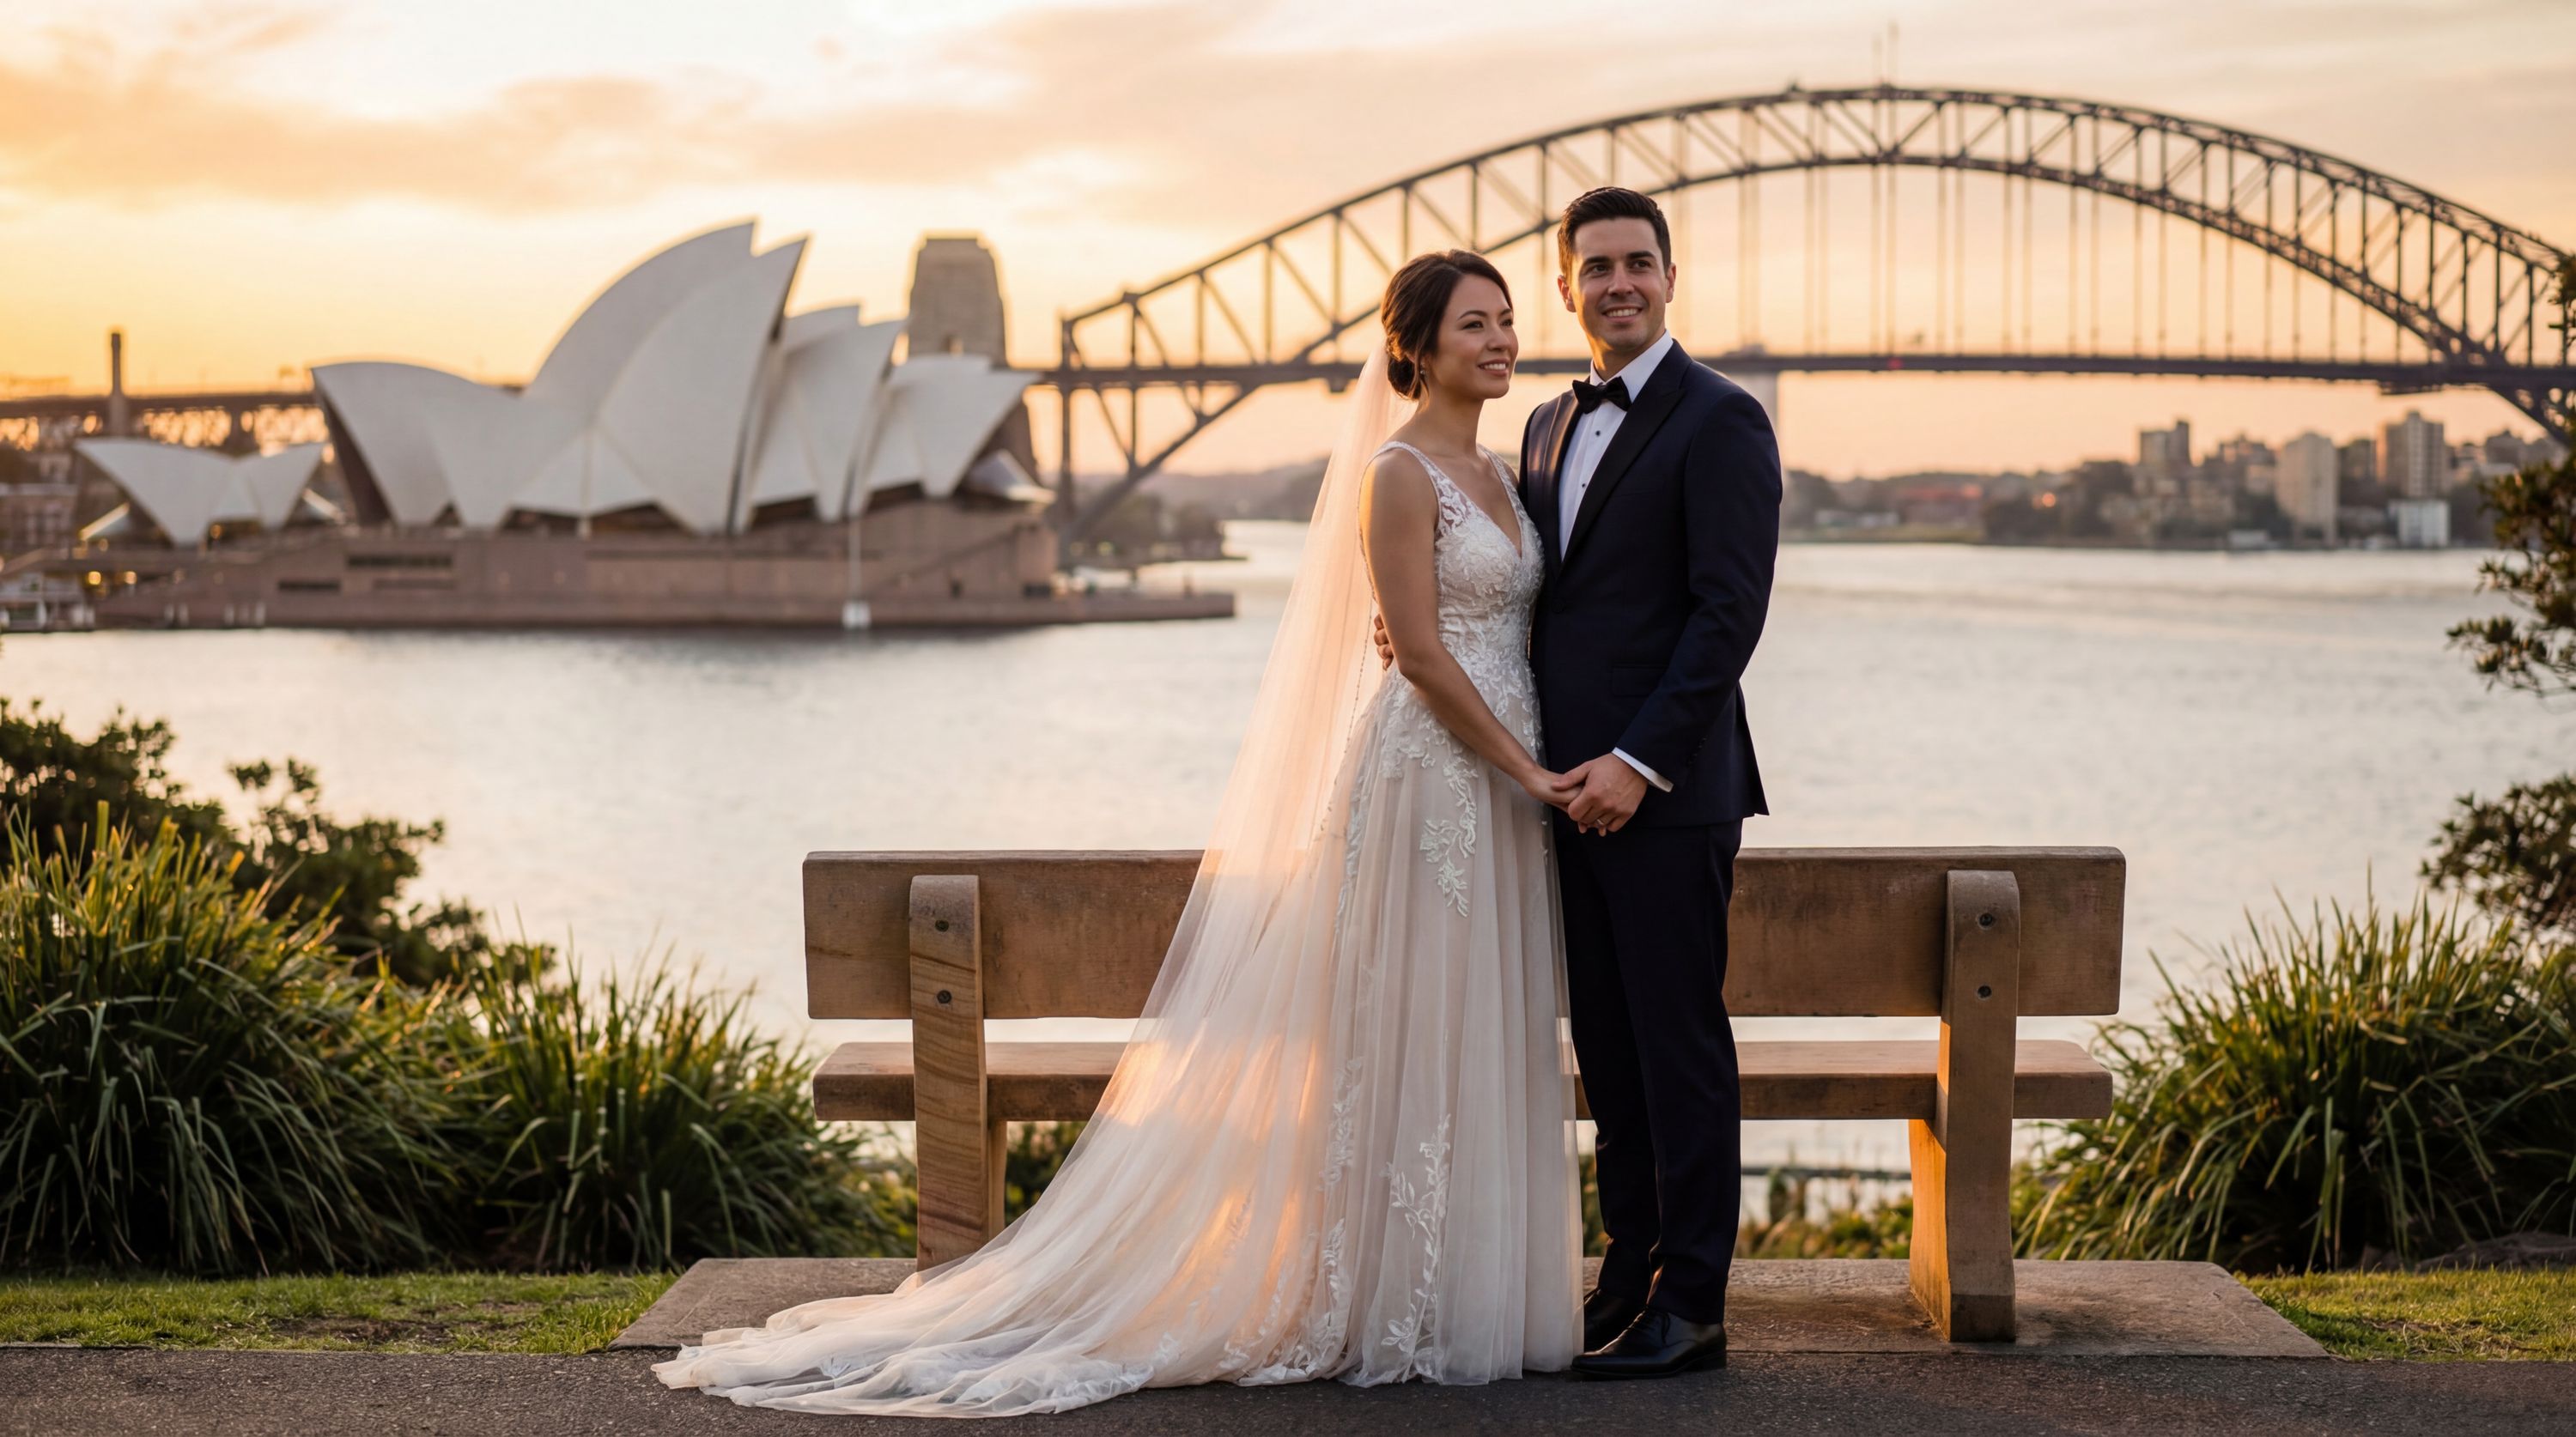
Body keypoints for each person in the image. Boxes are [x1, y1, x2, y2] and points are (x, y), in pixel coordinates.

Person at [654, 247, 1584, 1416]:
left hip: (1500, 789)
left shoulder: (1502, 471)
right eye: (1474, 324)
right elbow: (1424, 656)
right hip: (1439, 782)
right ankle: (1387, 1299)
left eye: (1507, 320)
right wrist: (1529, 770)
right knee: (1408, 1028)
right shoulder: (1399, 474)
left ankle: (1461, 1291)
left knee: (1472, 1026)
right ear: (1418, 346)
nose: (1501, 341)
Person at [1485, 184, 1781, 1379]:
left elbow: (1727, 616)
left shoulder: (1724, 420)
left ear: (1669, 276)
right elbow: (1541, 599)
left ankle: (1693, 1302)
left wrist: (1639, 762)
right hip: (1563, 792)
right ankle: (1629, 1275)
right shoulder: (1546, 421)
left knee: (1678, 1047)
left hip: (1664, 795)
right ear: (1566, 287)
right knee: (1608, 1052)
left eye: (1638, 263)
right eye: (1597, 266)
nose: (1619, 283)